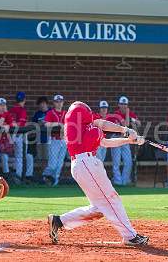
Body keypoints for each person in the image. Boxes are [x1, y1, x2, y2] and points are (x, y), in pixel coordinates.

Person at [47, 101, 149, 246]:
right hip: (85, 163)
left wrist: (129, 140)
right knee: (111, 198)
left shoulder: (86, 129)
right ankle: (130, 236)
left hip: (85, 164)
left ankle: (58, 221)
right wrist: (125, 130)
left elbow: (106, 142)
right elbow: (101, 123)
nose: (91, 115)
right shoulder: (77, 111)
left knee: (100, 207)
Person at [111, 96, 141, 186]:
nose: (123, 106)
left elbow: (139, 124)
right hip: (116, 138)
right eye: (122, 104)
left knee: (128, 161)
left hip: (125, 139)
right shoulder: (116, 114)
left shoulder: (131, 114)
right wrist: (129, 117)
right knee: (116, 162)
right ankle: (117, 181)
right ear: (119, 105)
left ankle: (124, 181)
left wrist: (132, 119)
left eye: (125, 104)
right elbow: (126, 125)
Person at [42, 95, 67, 186]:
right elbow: (46, 124)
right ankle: (45, 175)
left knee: (60, 163)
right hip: (54, 140)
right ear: (54, 103)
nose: (59, 103)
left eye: (60, 101)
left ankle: (54, 182)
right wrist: (58, 124)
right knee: (52, 164)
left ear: (63, 102)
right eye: (57, 101)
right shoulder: (51, 113)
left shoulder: (66, 113)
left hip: (64, 140)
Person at [8, 92, 33, 181]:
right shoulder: (22, 110)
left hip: (10, 135)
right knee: (19, 156)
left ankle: (13, 172)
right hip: (19, 135)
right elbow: (21, 124)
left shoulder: (11, 110)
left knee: (12, 155)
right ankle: (18, 176)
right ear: (24, 100)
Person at [32, 96, 50, 164]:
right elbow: (32, 124)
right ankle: (42, 173)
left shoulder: (50, 112)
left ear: (46, 104)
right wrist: (38, 124)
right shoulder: (37, 114)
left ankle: (46, 172)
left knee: (47, 157)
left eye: (43, 103)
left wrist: (46, 123)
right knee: (40, 157)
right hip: (39, 138)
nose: (42, 105)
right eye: (40, 104)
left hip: (48, 138)